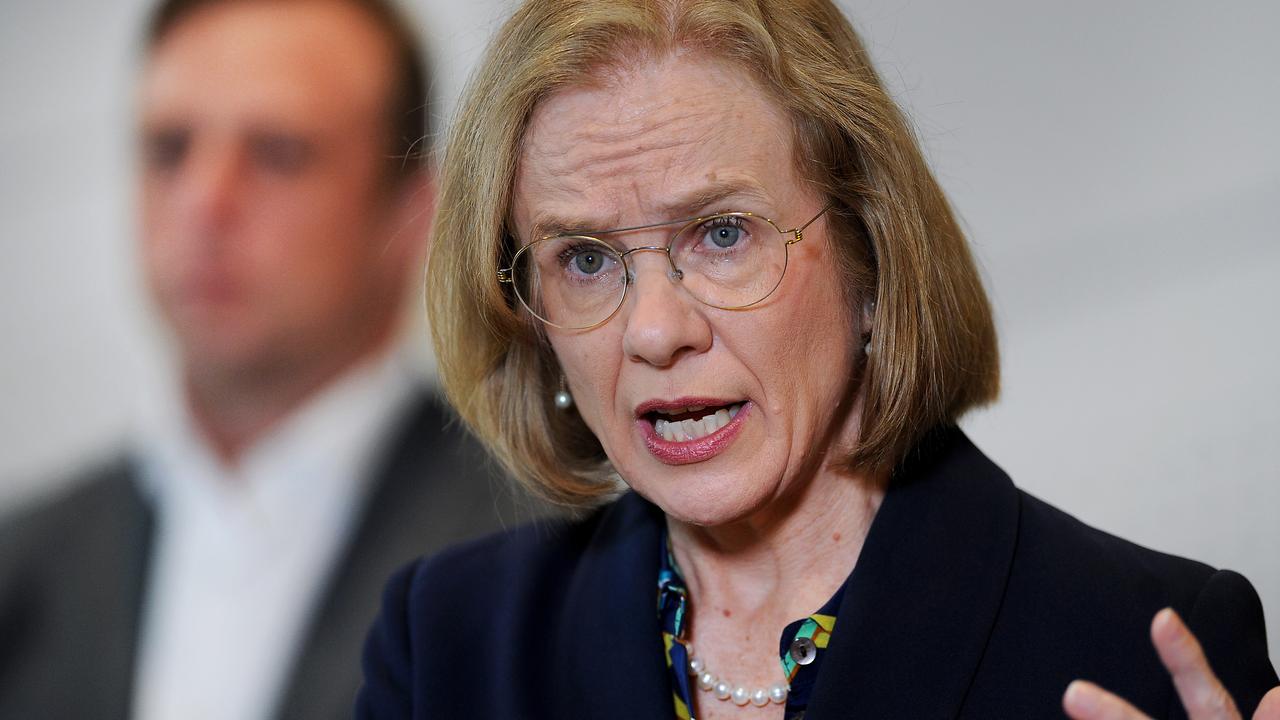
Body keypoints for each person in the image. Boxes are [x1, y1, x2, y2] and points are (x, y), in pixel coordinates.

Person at [355, 0, 1280, 718]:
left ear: (868, 255)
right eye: (587, 259)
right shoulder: (449, 648)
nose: (653, 330)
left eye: (722, 233)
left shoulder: (1136, 642)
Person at [0, 0, 536, 718]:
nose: (205, 201)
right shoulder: (23, 563)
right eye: (170, 149)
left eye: (279, 152)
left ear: (413, 213)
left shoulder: (539, 555)